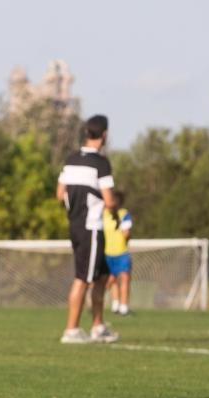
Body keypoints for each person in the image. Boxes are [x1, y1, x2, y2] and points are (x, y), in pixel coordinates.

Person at [56, 115, 119, 344]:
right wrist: (111, 212)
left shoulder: (71, 159)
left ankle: (98, 326)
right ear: (104, 134)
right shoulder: (101, 163)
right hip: (91, 226)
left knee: (101, 277)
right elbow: (110, 200)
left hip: (76, 226)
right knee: (83, 278)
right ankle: (71, 330)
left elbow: (59, 194)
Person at [103, 189, 133, 316]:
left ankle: (124, 306)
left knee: (124, 278)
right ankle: (114, 304)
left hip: (121, 252)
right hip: (106, 252)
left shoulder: (124, 214)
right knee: (110, 280)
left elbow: (126, 234)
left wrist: (121, 226)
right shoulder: (102, 214)